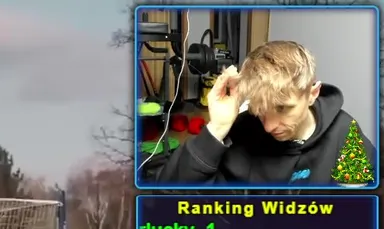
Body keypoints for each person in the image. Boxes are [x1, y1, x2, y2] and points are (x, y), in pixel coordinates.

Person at [146, 40, 376, 186]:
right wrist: (217, 129)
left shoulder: (347, 137)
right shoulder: (245, 131)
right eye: (260, 110)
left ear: (312, 93)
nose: (268, 126)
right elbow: (169, 198)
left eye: (283, 108)